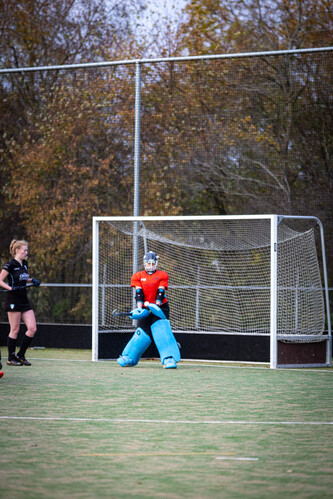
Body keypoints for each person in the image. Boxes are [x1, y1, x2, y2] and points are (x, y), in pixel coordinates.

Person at [117, 251, 181, 369]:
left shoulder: (162, 275)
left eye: (153, 263)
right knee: (142, 332)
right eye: (148, 263)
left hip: (160, 306)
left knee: (161, 329)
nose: (150, 266)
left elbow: (160, 292)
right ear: (144, 263)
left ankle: (169, 357)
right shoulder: (138, 276)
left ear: (156, 263)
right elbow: (139, 293)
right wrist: (140, 307)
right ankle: (129, 357)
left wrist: (156, 305)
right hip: (145, 307)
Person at [0, 240, 40, 366]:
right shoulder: (10, 264)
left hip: (23, 299)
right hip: (13, 299)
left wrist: (32, 280)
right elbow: (0, 280)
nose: (26, 252)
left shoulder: (24, 264)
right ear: (17, 250)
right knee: (15, 329)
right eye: (24, 250)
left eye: (26, 250)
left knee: (32, 328)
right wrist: (11, 288)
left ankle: (20, 355)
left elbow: (22, 278)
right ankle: (11, 358)